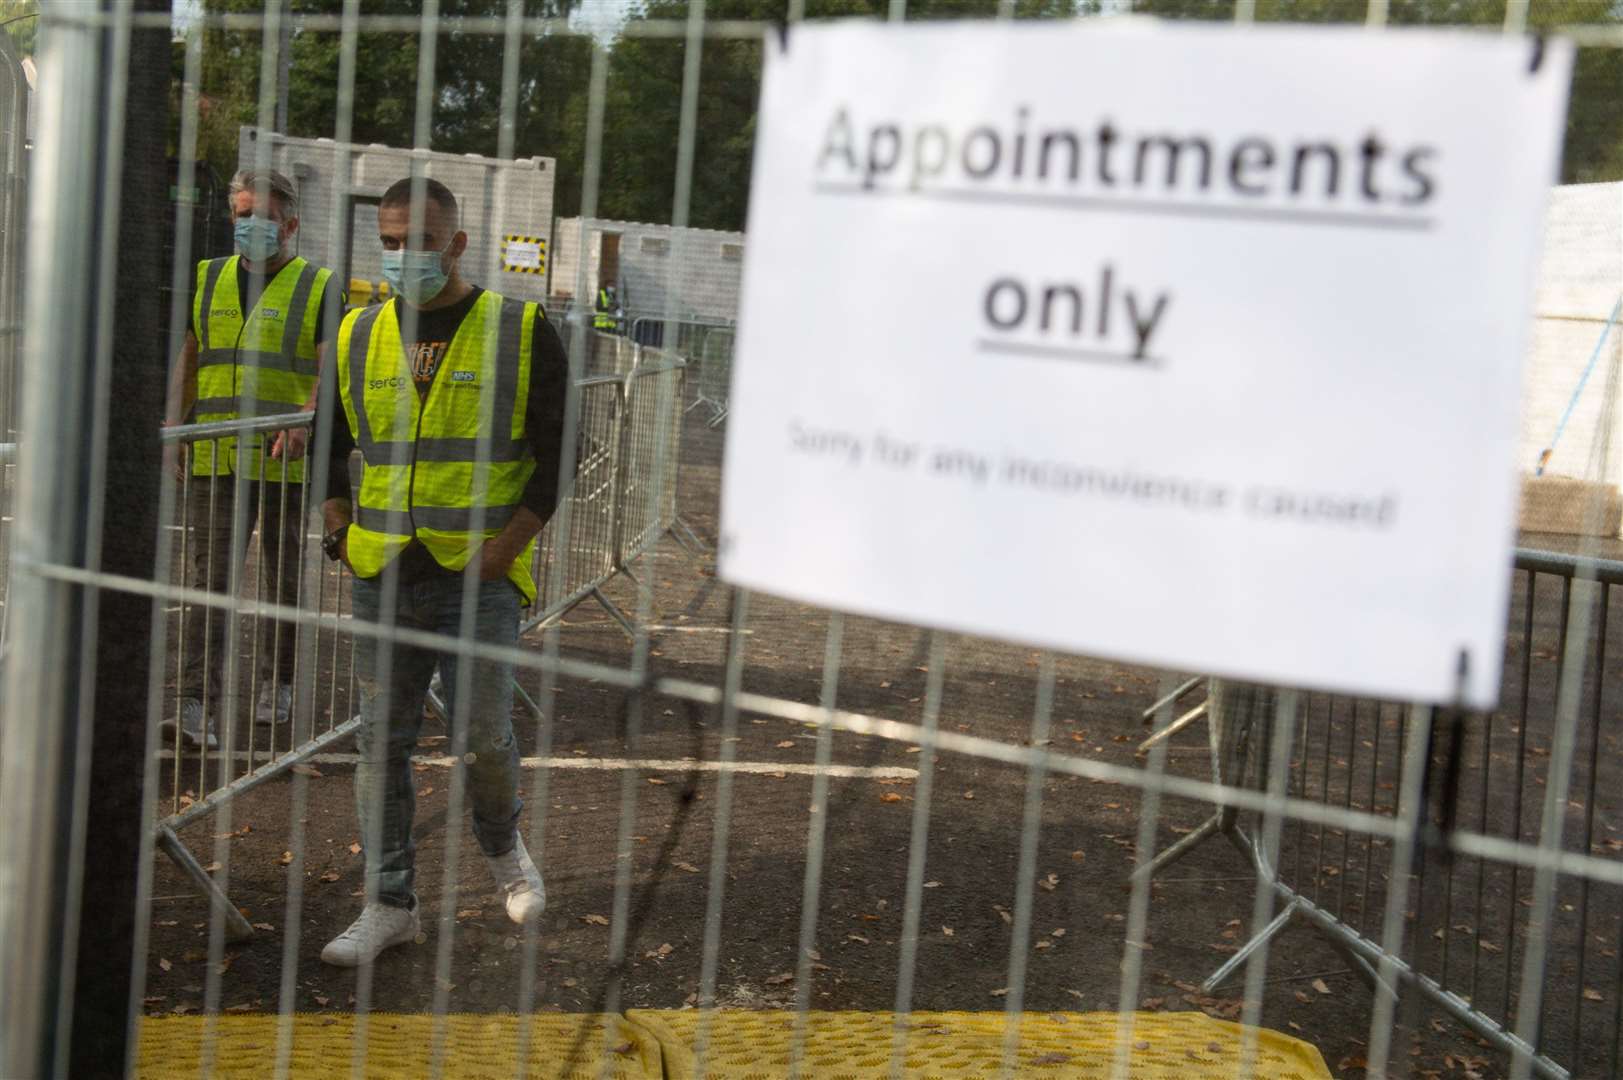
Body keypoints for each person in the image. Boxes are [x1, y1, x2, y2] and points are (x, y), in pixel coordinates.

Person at [317, 176, 569, 966]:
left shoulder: (520, 329)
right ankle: (390, 903)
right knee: (379, 742)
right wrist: (336, 523)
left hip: (478, 578)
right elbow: (329, 437)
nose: (403, 255)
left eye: (421, 241)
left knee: (482, 736)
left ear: (457, 244)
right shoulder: (359, 333)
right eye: (390, 241)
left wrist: (504, 551)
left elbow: (556, 456)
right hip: (384, 571)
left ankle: (505, 852)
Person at [162, 169, 342, 748]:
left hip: (279, 460)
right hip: (215, 453)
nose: (250, 225)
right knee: (206, 583)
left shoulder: (316, 285)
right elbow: (192, 353)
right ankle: (197, 705)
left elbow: (328, 368)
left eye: (262, 216)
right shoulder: (207, 276)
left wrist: (305, 423)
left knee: (282, 578)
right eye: (241, 214)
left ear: (289, 224)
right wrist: (175, 424)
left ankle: (278, 681)